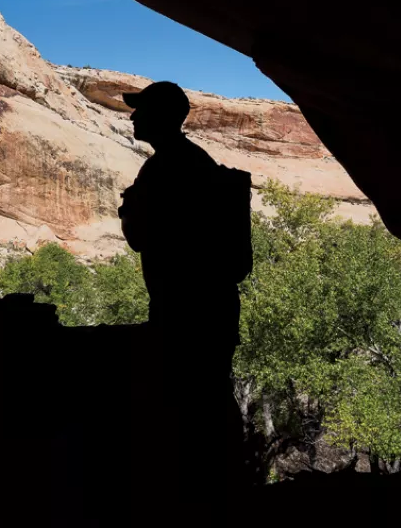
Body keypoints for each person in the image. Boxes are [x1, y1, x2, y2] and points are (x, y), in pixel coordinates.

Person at [117, 82, 256, 505]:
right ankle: (222, 490)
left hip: (185, 309)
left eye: (141, 111)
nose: (133, 117)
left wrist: (128, 209)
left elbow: (141, 236)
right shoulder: (193, 162)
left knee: (192, 404)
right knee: (208, 399)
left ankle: (205, 498)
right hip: (208, 306)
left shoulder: (166, 169)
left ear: (161, 116)